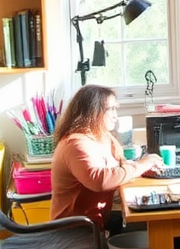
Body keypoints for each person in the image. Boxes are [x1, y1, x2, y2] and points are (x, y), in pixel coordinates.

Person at [50, 85, 163, 230]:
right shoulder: (76, 144)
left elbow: (119, 166)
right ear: (92, 112)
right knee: (149, 226)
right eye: (110, 109)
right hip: (74, 230)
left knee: (149, 223)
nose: (115, 115)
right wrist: (141, 165)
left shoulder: (103, 136)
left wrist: (142, 170)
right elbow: (100, 180)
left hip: (96, 222)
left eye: (116, 108)